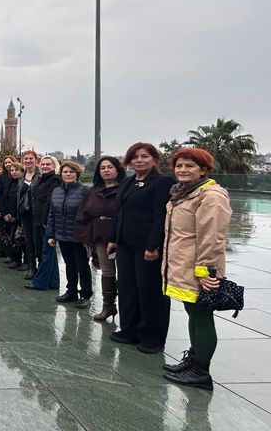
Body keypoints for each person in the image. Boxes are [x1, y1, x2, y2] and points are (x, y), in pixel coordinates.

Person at [161, 148, 232, 391]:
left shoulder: (211, 195)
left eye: (189, 166)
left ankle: (201, 371)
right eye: (179, 165)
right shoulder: (183, 193)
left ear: (203, 170)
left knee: (202, 317)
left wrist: (205, 271)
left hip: (200, 269)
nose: (182, 170)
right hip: (183, 265)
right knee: (193, 313)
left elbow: (212, 236)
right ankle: (193, 360)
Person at [108, 142, 176, 354]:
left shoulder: (162, 182)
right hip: (125, 244)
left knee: (150, 291)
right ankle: (129, 329)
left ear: (154, 159)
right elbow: (119, 212)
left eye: (144, 156)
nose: (139, 160)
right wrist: (113, 238)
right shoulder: (129, 182)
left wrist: (153, 245)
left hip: (147, 247)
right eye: (135, 157)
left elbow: (160, 216)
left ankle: (152, 337)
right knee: (127, 288)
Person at [75, 156, 126, 322]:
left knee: (126, 274)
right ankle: (108, 305)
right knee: (107, 271)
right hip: (100, 236)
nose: (106, 170)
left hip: (122, 237)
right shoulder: (93, 191)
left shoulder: (126, 189)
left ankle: (128, 310)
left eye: (110, 167)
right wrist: (85, 236)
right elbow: (83, 214)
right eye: (102, 168)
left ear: (117, 169)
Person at [46, 161, 91, 308]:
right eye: (65, 172)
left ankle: (85, 294)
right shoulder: (57, 191)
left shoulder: (85, 191)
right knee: (69, 265)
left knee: (82, 266)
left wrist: (87, 236)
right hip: (62, 235)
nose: (68, 174)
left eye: (71, 172)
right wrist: (51, 235)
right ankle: (71, 291)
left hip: (79, 236)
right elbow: (52, 213)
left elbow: (89, 215)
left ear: (77, 174)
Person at [25, 156, 63, 291]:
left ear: (54, 166)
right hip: (38, 219)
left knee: (46, 252)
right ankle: (53, 281)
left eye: (48, 164)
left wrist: (47, 221)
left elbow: (50, 201)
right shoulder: (42, 179)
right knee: (46, 252)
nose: (45, 166)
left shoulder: (55, 180)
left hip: (46, 221)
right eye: (43, 164)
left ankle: (40, 282)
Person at [16, 151, 39, 276]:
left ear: (35, 159)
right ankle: (31, 267)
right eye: (26, 158)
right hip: (25, 212)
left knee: (38, 240)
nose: (28, 161)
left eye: (31, 158)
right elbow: (18, 194)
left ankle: (41, 267)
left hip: (38, 212)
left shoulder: (40, 175)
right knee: (28, 240)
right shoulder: (21, 176)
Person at [0, 163, 24, 268]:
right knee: (11, 239)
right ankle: (14, 258)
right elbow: (4, 199)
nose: (14, 172)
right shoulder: (9, 183)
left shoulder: (23, 184)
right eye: (12, 170)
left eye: (16, 170)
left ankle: (24, 261)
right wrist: (5, 213)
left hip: (19, 216)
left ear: (22, 171)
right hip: (8, 215)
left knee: (20, 239)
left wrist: (15, 215)